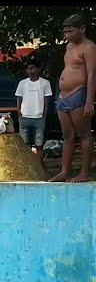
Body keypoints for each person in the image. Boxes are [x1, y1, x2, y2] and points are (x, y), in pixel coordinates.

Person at [50, 14, 96, 182]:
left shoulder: (89, 47)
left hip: (79, 93)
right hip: (63, 95)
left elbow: (92, 75)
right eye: (65, 32)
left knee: (84, 134)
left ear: (82, 29)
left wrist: (89, 101)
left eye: (70, 31)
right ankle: (65, 171)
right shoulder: (69, 46)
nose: (67, 35)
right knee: (67, 135)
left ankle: (84, 172)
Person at [16, 59, 53, 168]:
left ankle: (39, 166)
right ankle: (25, 166)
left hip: (39, 116)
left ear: (38, 69)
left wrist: (44, 114)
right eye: (28, 69)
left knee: (39, 144)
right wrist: (19, 111)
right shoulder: (22, 83)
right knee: (23, 144)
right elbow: (19, 98)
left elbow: (47, 100)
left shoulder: (45, 83)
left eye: (32, 68)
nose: (30, 71)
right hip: (24, 116)